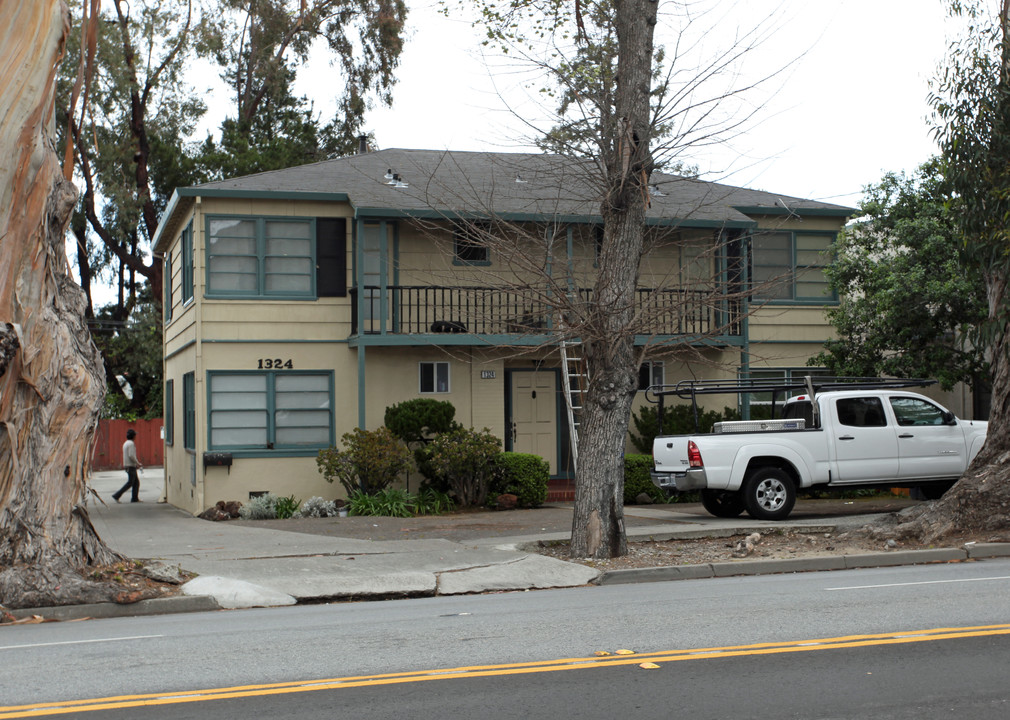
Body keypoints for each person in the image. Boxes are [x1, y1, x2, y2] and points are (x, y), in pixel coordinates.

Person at [112, 428, 143, 503]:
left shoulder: (126, 443)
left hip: (128, 465)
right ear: (133, 436)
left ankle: (134, 498)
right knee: (130, 483)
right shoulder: (131, 444)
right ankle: (117, 495)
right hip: (130, 465)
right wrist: (138, 463)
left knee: (136, 482)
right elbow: (131, 455)